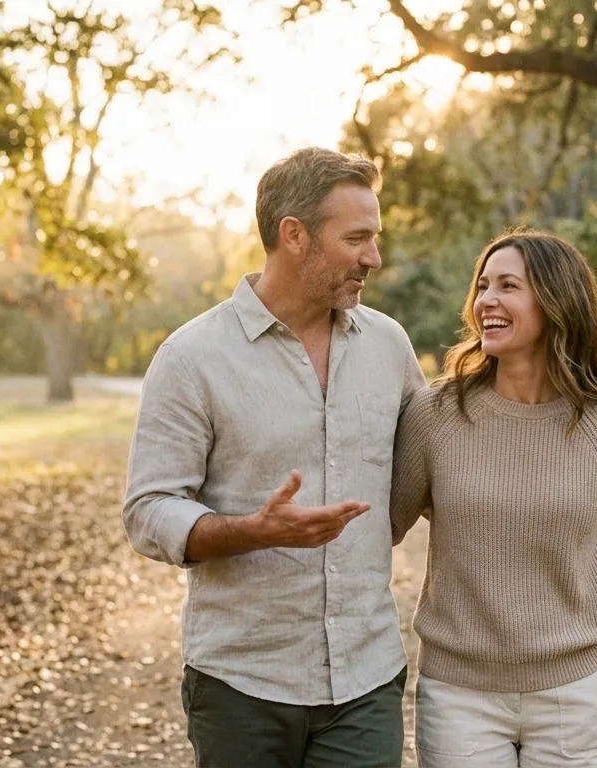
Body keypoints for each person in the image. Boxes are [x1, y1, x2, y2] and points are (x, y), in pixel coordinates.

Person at [122, 147, 425, 767]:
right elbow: (148, 510)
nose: (374, 257)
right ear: (294, 235)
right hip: (242, 683)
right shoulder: (191, 358)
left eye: (375, 238)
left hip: (366, 677)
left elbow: (435, 463)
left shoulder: (389, 346)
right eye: (357, 238)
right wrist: (253, 533)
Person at [391, 230, 597, 767]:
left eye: (508, 286)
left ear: (556, 301)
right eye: (483, 286)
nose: (486, 300)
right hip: (459, 696)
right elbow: (379, 532)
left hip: (577, 695)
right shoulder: (435, 415)